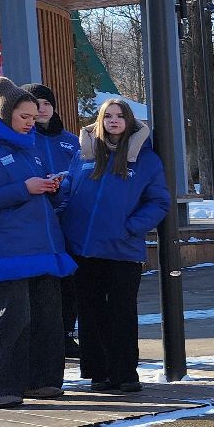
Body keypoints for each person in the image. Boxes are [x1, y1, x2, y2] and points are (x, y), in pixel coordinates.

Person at [0, 77, 75, 406]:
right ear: (5, 113)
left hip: (43, 243)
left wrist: (54, 188)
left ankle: (40, 381)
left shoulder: (29, 147)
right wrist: (24, 188)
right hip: (5, 244)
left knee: (47, 316)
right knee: (10, 316)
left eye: (35, 116)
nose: (33, 122)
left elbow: (36, 196)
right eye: (25, 117)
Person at [63, 98, 170, 392]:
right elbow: (69, 192)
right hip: (83, 250)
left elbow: (159, 201)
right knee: (90, 310)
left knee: (122, 312)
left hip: (122, 250)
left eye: (119, 116)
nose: (113, 120)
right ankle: (98, 373)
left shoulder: (146, 159)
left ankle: (124, 374)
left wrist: (130, 228)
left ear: (129, 121)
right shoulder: (83, 154)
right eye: (107, 116)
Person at [23, 83, 81, 356]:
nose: (42, 108)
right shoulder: (21, 139)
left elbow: (84, 174)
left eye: (47, 103)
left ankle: (68, 335)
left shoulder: (71, 141)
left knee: (69, 279)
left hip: (69, 219)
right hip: (35, 220)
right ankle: (40, 338)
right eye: (36, 103)